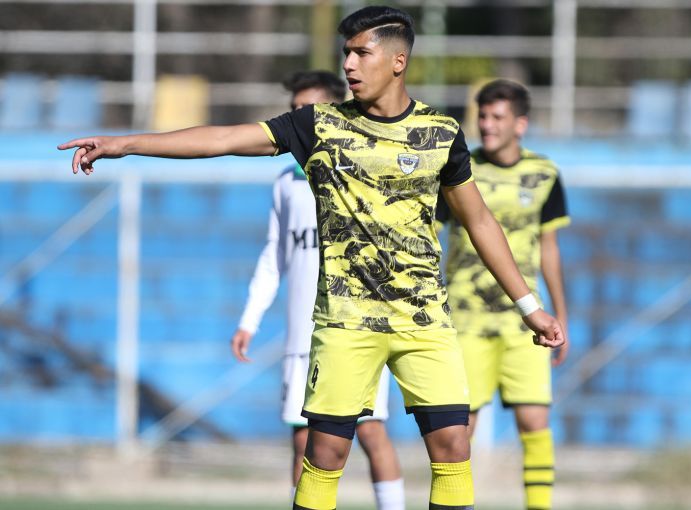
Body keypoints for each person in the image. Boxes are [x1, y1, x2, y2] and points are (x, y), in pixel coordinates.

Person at [58, 6, 566, 510]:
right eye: (346, 53)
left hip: (425, 321)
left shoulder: (441, 132)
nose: (349, 64)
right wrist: (125, 143)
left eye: (362, 53)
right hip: (346, 323)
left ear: (398, 61)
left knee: (454, 446)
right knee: (324, 454)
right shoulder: (319, 124)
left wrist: (530, 307)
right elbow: (225, 138)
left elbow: (480, 222)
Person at [230, 70, 405, 510]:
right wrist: (250, 320)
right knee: (303, 440)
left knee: (370, 431)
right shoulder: (286, 182)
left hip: (360, 328)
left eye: (307, 110)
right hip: (303, 337)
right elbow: (275, 256)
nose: (298, 118)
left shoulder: (362, 168)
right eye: (293, 110)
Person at [437, 79, 570, 510]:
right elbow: (431, 234)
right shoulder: (458, 169)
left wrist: (560, 314)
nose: (487, 125)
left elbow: (549, 248)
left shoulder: (545, 174)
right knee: (459, 430)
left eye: (497, 117)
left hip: (524, 323)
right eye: (482, 116)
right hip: (466, 319)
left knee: (535, 421)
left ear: (520, 124)